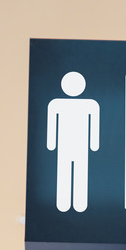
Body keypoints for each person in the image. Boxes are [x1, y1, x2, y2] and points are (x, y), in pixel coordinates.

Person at [47, 71, 100, 212]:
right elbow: (52, 124)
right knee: (64, 172)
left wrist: (94, 144)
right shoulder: (56, 104)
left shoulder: (91, 105)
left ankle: (79, 203)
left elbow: (94, 125)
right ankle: (63, 203)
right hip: (65, 146)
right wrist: (51, 143)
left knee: (80, 172)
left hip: (80, 146)